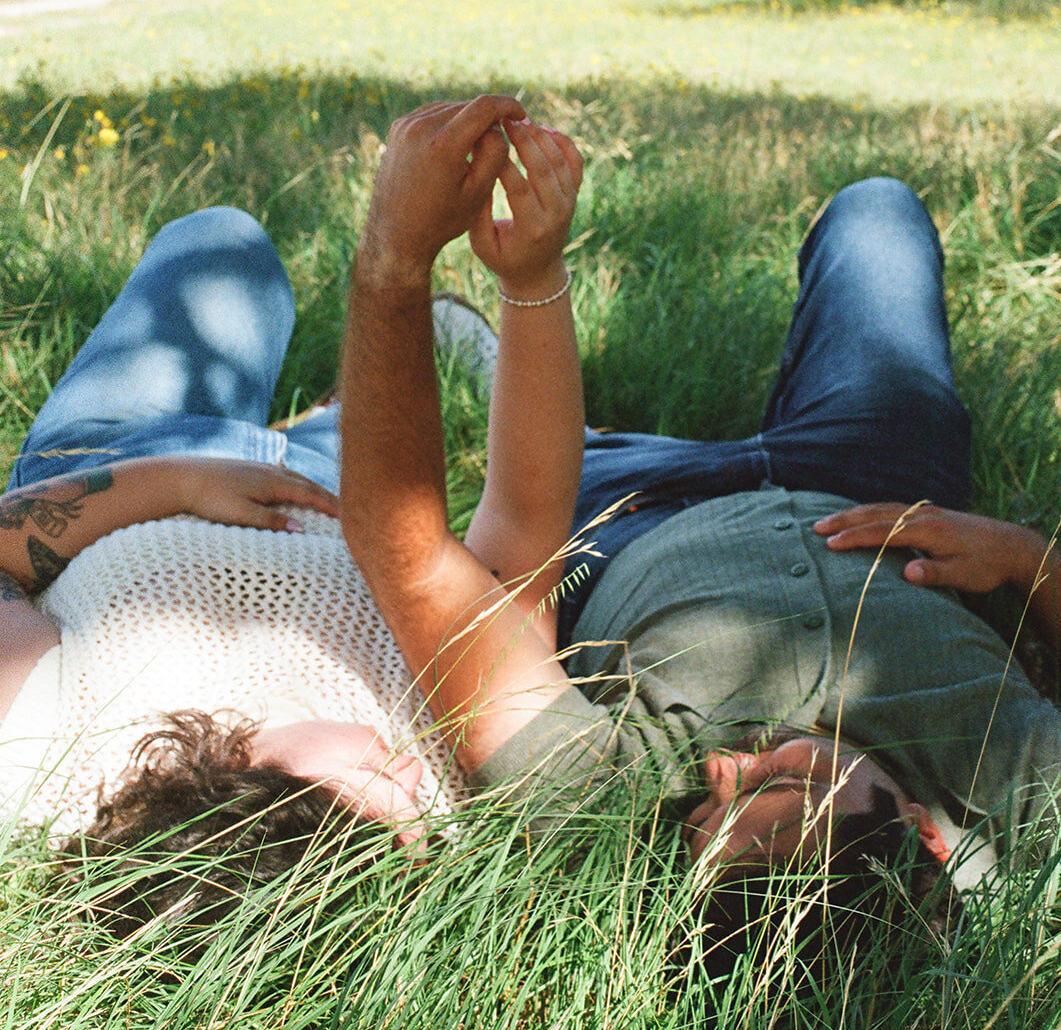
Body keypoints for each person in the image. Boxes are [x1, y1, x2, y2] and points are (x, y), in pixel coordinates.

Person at [340, 94, 1061, 911]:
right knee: (876, 214)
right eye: (777, 785)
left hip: (628, 508)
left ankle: (486, 356)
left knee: (348, 458)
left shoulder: (603, 795)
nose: (722, 771)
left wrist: (393, 258)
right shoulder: (1016, 776)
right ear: (922, 832)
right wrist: (1031, 562)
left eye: (704, 817)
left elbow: (412, 558)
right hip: (874, 476)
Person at [0, 105, 582, 928]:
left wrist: (175, 482)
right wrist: (534, 278)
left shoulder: (50, 754)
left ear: (247, 802)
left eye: (379, 797)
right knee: (346, 432)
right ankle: (337, 412)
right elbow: (525, 537)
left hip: (127, 460)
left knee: (223, 243)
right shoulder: (444, 766)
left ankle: (326, 411)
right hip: (331, 491)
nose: (412, 785)